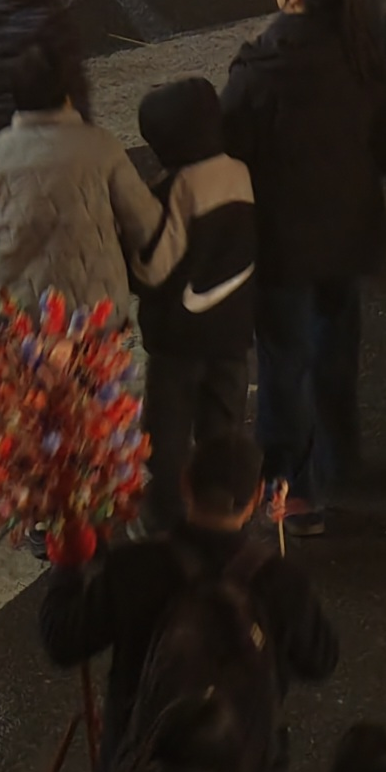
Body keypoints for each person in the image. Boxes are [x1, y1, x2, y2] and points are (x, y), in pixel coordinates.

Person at [42, 427, 342, 772]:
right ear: (254, 499)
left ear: (185, 485)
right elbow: (320, 660)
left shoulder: (135, 566)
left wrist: (67, 565)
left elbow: (63, 640)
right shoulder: (279, 580)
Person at [223, 0, 377, 531]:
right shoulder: (362, 54)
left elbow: (230, 141)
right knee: (336, 349)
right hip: (349, 230)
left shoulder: (261, 67)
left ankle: (293, 484)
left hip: (282, 239)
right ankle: (339, 462)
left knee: (284, 360)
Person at [131, 79, 263, 528]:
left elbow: (155, 268)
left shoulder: (178, 186)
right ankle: (222, 512)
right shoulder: (241, 173)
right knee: (222, 429)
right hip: (233, 332)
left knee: (167, 437)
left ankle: (167, 517)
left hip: (179, 338)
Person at [0, 39, 168, 314]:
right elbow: (145, 222)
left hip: (21, 311)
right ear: (67, 96)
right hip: (97, 309)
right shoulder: (101, 147)